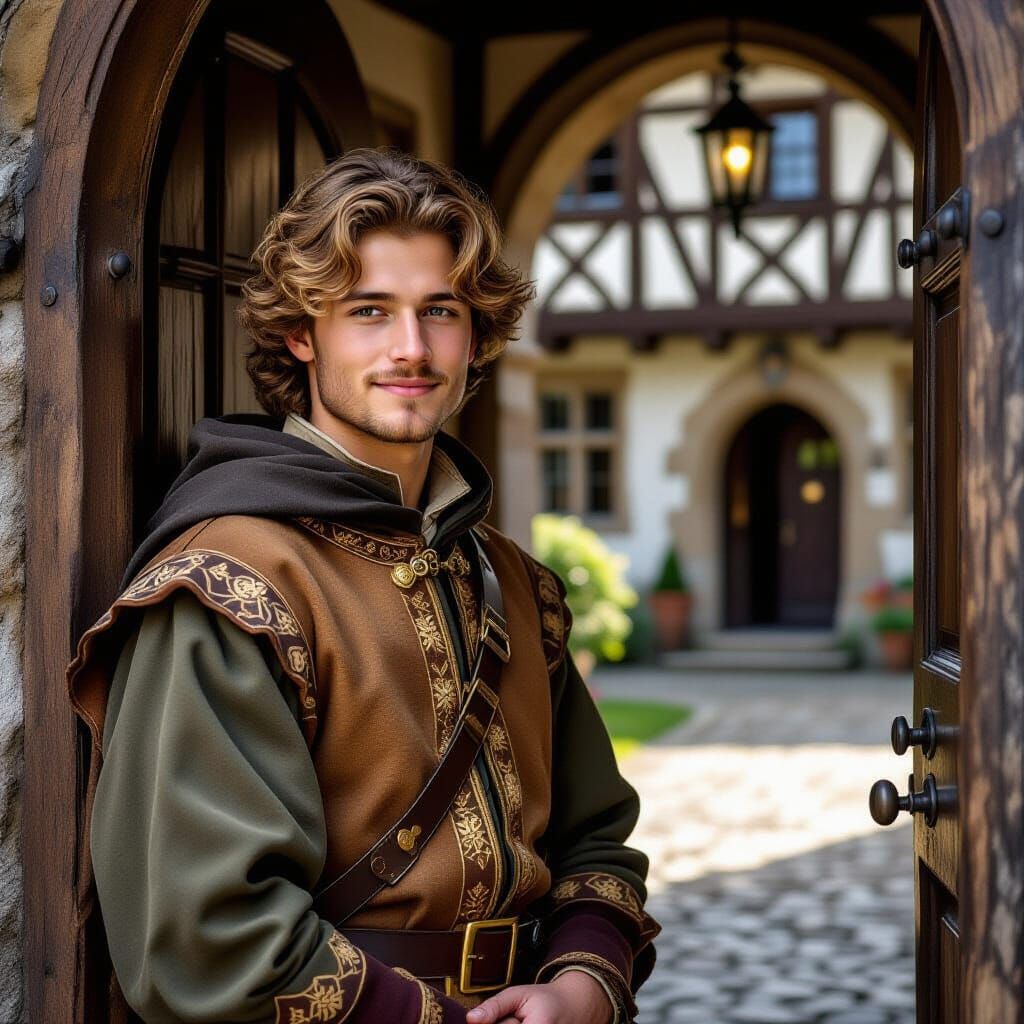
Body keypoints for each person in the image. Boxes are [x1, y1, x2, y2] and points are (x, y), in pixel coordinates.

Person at [67, 147, 659, 1024]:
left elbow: (596, 840)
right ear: (302, 333)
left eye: (440, 311)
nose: (411, 348)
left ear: (476, 335)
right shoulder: (227, 585)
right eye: (369, 311)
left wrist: (584, 984)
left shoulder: (514, 583)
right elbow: (207, 935)